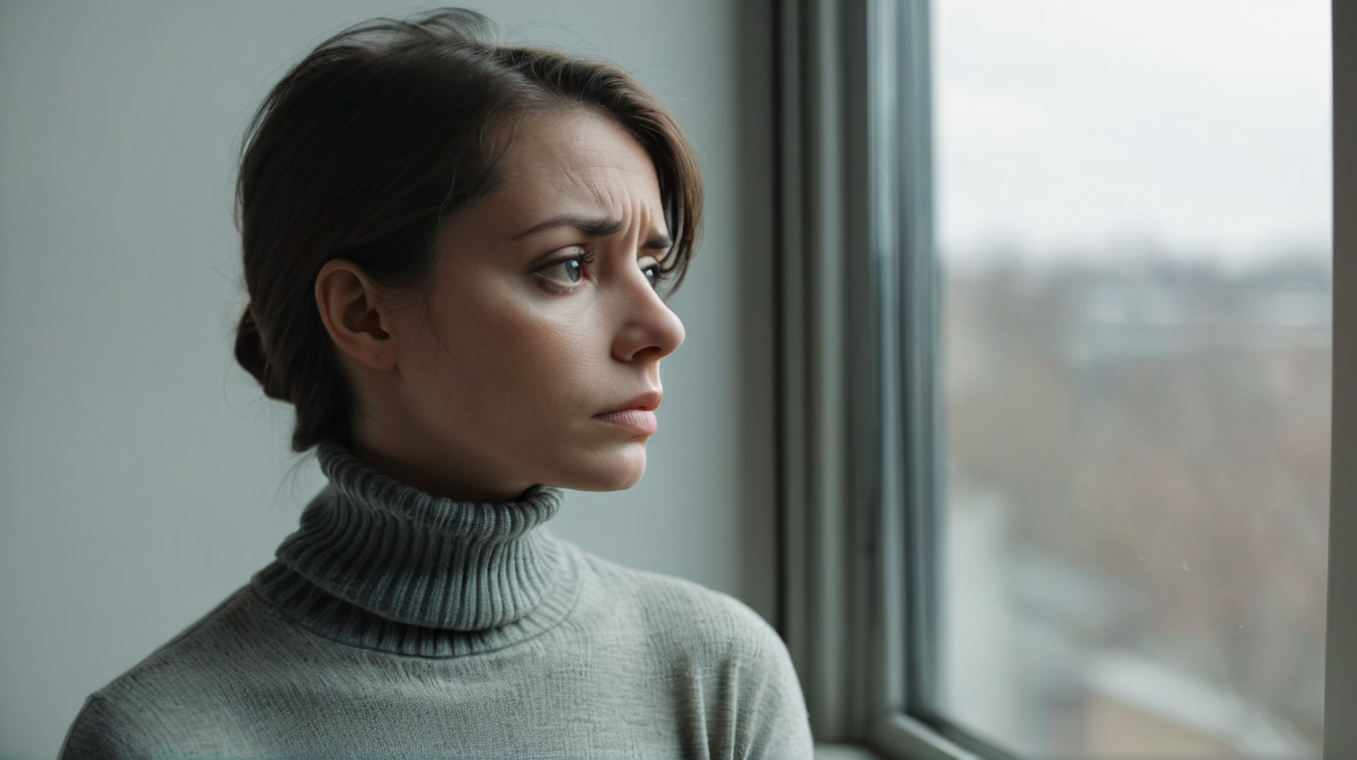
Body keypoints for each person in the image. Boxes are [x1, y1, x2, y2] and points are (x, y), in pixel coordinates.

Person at [59, 8, 812, 758]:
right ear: (365, 316)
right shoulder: (157, 738)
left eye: (650, 268)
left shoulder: (718, 675)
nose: (663, 329)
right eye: (569, 266)